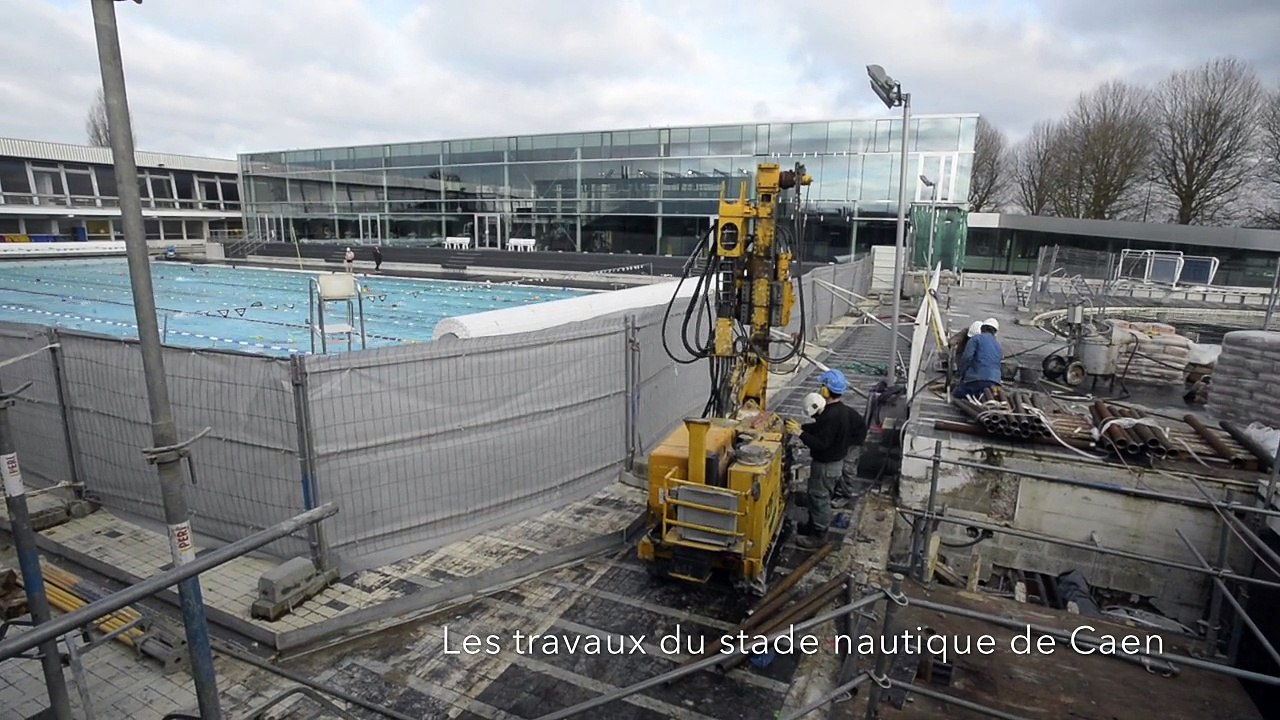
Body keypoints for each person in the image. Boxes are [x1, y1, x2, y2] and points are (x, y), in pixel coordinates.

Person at [785, 369, 853, 549]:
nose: (820, 389)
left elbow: (822, 443)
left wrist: (800, 433)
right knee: (815, 497)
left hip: (826, 466)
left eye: (822, 386)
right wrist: (802, 428)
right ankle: (812, 527)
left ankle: (819, 536)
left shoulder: (832, 415)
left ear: (826, 390)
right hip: (830, 464)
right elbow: (820, 429)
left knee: (819, 499)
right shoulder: (838, 410)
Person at [953, 317, 1003, 399]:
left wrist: (962, 373)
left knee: (957, 393)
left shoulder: (975, 339)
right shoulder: (998, 344)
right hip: (995, 382)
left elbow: (966, 358)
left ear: (982, 328)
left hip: (976, 380)